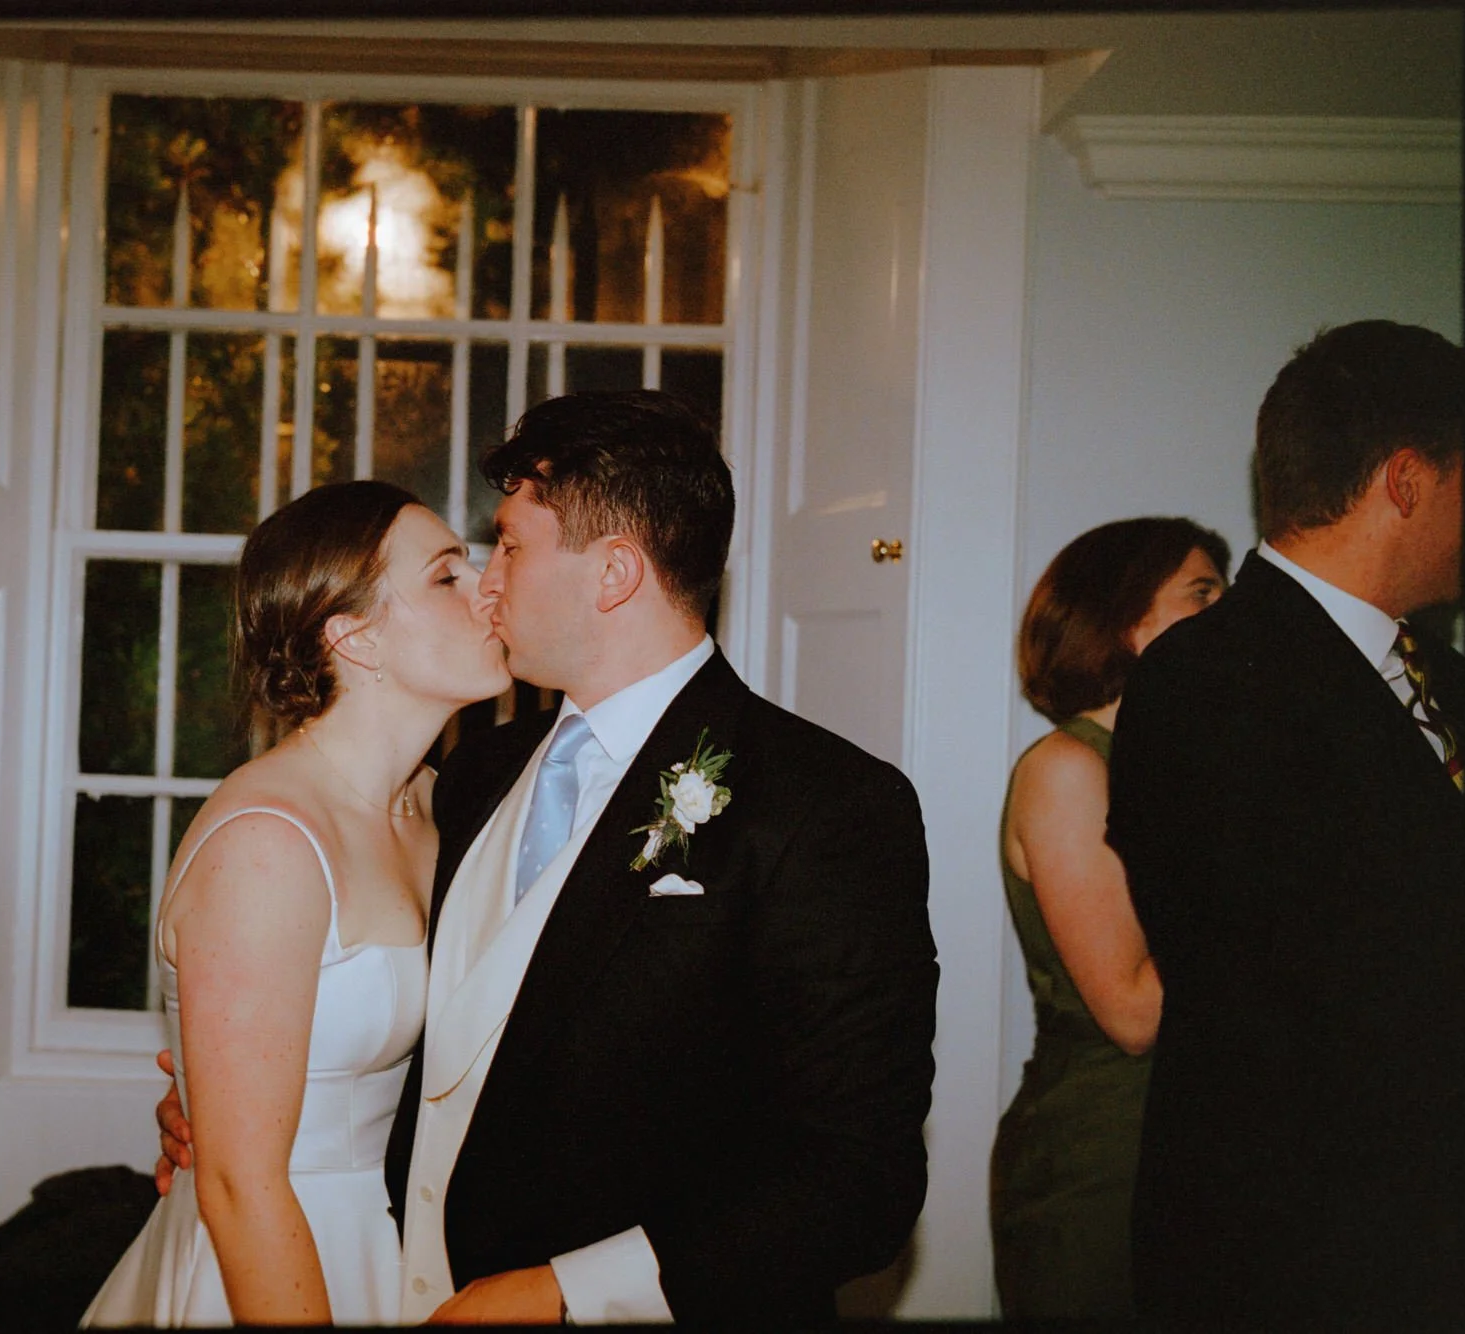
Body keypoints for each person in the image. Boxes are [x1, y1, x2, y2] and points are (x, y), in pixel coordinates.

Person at [159, 390, 938, 1324]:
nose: (489, 585)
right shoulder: (470, 776)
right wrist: (246, 1104)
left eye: (512, 549)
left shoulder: (826, 807)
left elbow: (859, 1178)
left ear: (613, 573)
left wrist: (563, 1294)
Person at [1107, 320, 1465, 1325]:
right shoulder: (1202, 680)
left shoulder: (1446, 679)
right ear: (1406, 480)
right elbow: (1270, 982)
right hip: (1292, 1249)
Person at [82, 480, 511, 1326]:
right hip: (273, 1254)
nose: (489, 589)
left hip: (400, 1246)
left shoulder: (439, 804)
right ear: (353, 636)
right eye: (447, 576)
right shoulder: (268, 843)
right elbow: (242, 1183)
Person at [990, 517, 1229, 1318]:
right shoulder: (1066, 770)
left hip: (1197, 1140)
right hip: (1102, 1153)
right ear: (1125, 622)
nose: (1229, 614)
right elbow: (1132, 1012)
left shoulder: (1175, 769)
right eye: (1203, 593)